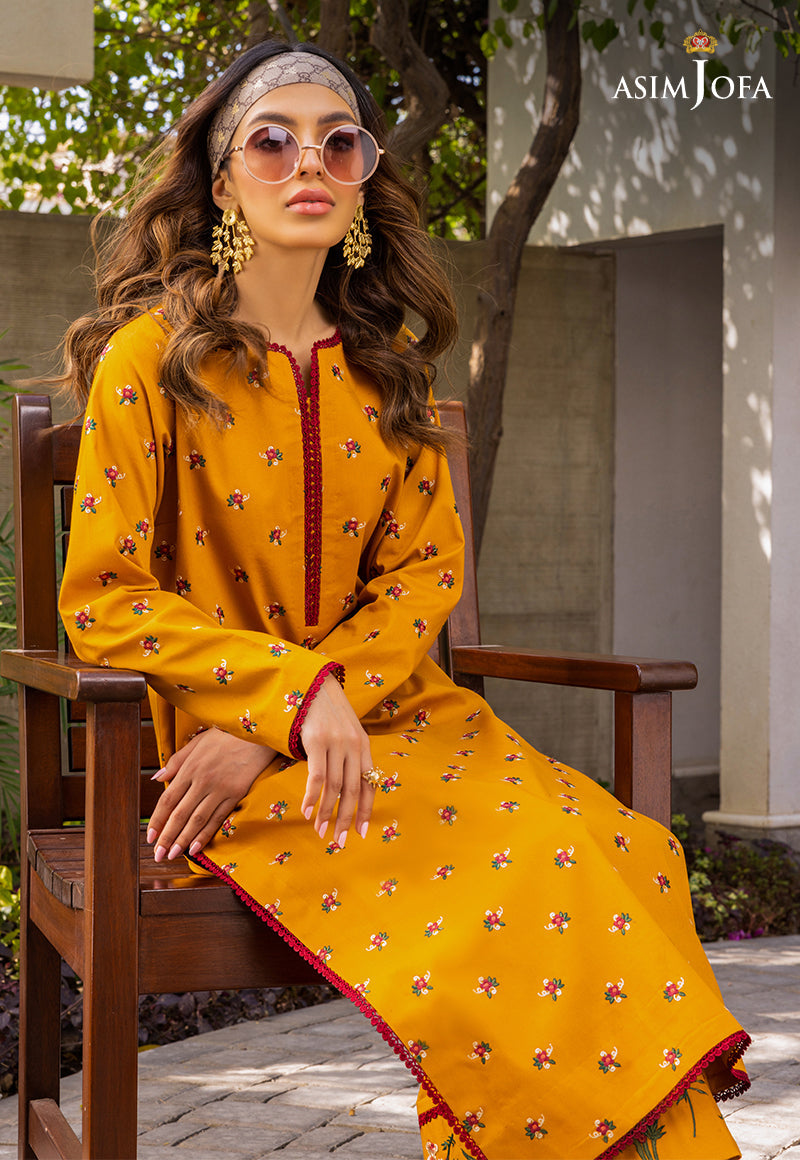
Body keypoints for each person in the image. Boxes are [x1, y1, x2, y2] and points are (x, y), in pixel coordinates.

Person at [58, 38, 748, 1160]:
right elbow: (105, 595)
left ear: (364, 184)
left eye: (340, 143)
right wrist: (281, 704)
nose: (308, 162)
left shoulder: (388, 374)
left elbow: (422, 579)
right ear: (221, 181)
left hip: (401, 724)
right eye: (271, 141)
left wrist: (318, 697)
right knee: (540, 863)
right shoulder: (152, 361)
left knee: (623, 846)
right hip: (226, 762)